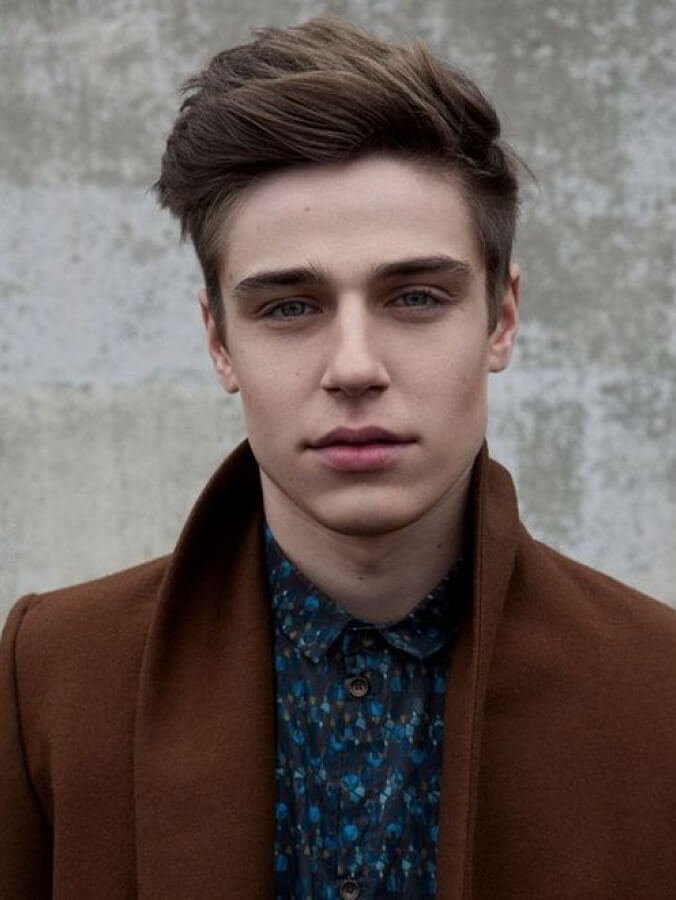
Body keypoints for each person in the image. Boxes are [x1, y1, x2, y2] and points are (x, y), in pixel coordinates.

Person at [1, 16, 675, 900]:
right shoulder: (53, 676)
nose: (354, 367)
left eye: (416, 297)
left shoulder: (658, 688)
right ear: (219, 342)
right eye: (289, 307)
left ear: (501, 320)